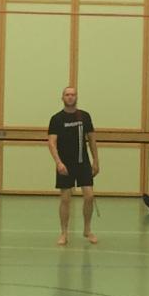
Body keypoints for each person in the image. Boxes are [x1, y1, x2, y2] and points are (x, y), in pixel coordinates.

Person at [48, 86, 99, 246]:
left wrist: (96, 161)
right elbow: (51, 142)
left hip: (83, 163)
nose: (70, 97)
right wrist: (58, 162)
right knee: (65, 199)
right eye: (67, 94)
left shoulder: (84, 116)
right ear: (62, 98)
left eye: (73, 94)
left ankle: (87, 230)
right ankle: (64, 233)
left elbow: (92, 140)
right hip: (65, 164)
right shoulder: (56, 119)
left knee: (89, 196)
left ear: (76, 97)